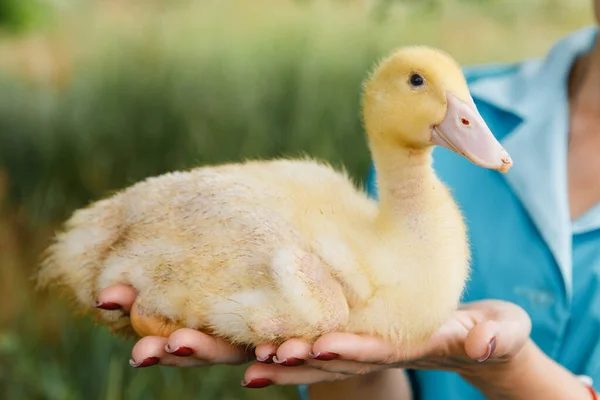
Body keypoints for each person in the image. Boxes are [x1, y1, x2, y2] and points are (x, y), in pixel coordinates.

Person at [92, 3, 600, 398]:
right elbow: (363, 360)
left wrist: (510, 370)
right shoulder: (468, 108)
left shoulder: (450, 118)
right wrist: (343, 363)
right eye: (423, 84)